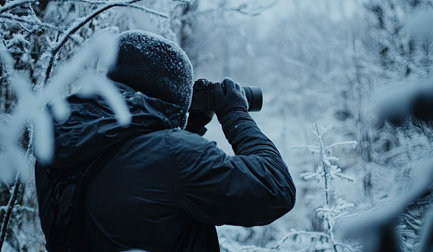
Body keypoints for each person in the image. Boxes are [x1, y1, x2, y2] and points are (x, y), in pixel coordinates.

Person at [35, 30, 296, 251]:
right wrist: (234, 113)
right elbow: (275, 188)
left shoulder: (62, 138)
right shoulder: (174, 155)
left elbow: (144, 192)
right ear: (173, 95)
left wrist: (185, 126)